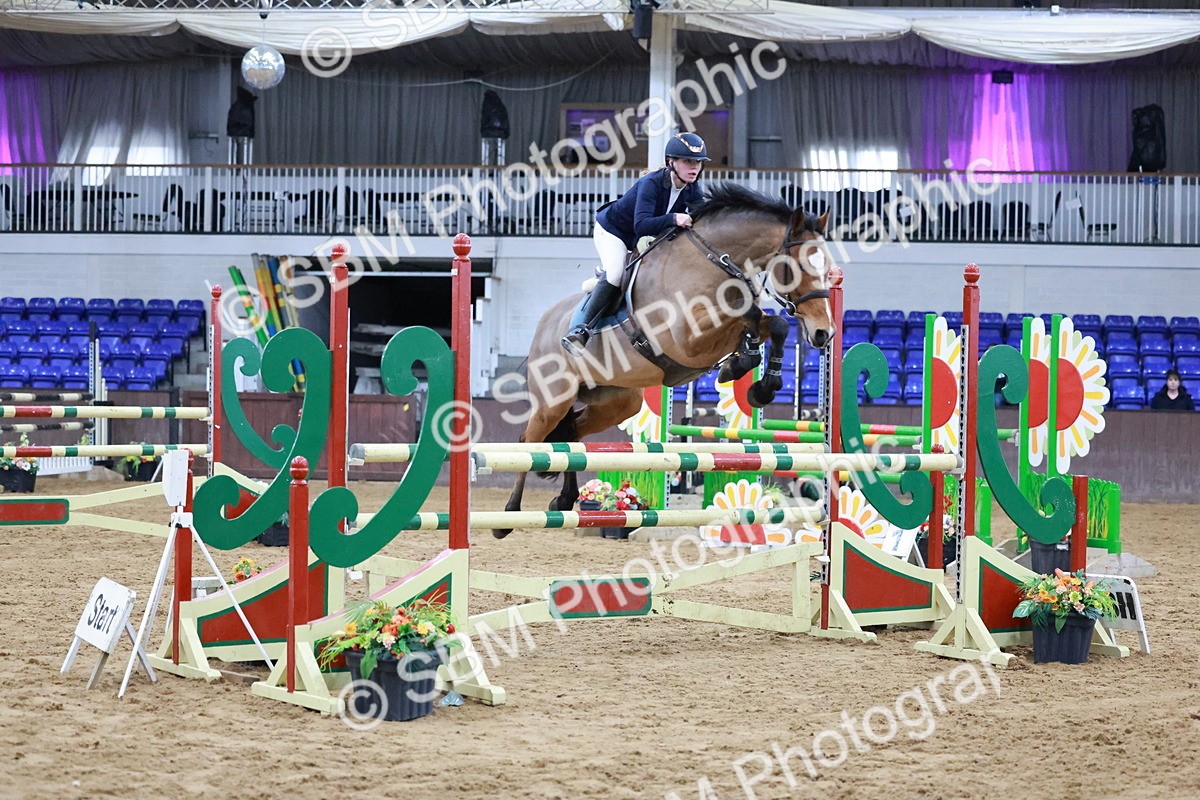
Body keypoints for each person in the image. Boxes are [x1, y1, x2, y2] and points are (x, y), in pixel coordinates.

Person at [560, 131, 710, 356]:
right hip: (613, 231)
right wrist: (674, 218)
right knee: (616, 274)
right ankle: (581, 331)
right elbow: (641, 225)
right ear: (671, 162)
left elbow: (702, 216)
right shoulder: (651, 183)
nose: (694, 167)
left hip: (641, 238)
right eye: (688, 161)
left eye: (698, 162)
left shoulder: (692, 188)